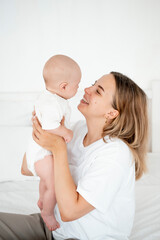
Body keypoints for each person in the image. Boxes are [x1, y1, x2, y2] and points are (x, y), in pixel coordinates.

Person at [0, 72, 148, 240]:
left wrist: (58, 147)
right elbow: (27, 168)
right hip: (52, 229)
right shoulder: (77, 130)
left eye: (98, 91)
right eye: (93, 83)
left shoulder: (116, 154)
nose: (87, 89)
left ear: (112, 113)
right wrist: (44, 128)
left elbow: (70, 212)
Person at [21, 54, 81, 231]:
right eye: (76, 86)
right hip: (41, 153)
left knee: (46, 181)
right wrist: (66, 132)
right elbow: (49, 127)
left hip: (42, 151)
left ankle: (42, 199)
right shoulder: (51, 103)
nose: (78, 89)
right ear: (64, 86)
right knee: (53, 184)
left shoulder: (51, 98)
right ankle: (47, 213)